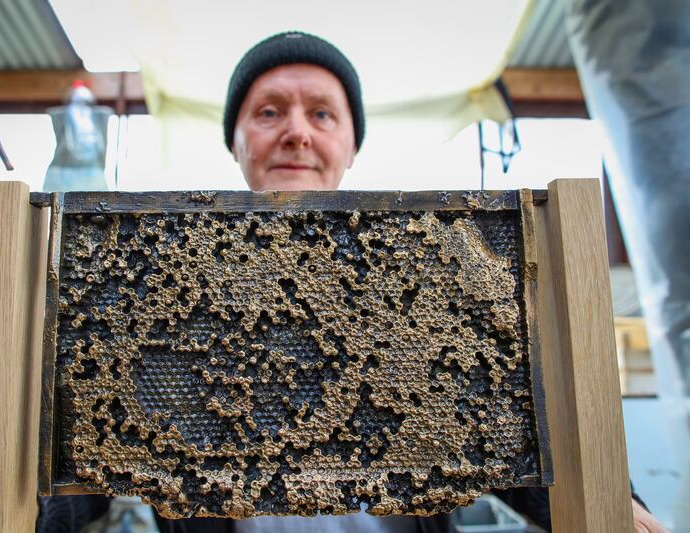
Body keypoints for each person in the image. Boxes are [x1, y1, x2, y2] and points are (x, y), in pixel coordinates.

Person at [154, 31, 665, 533]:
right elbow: (86, 439)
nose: (297, 132)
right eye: (268, 112)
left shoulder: (424, 283)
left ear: (351, 145)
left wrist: (621, 507)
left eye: (322, 114)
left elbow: (509, 422)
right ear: (235, 140)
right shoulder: (165, 288)